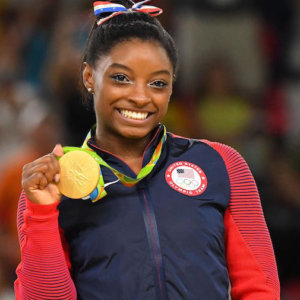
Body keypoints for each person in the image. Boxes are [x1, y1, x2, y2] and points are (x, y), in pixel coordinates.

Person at [15, 0, 280, 299]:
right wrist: (41, 213)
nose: (141, 97)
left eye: (157, 83)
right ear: (89, 76)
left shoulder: (221, 164)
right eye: (121, 78)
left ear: (171, 87)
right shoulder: (53, 183)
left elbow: (261, 287)